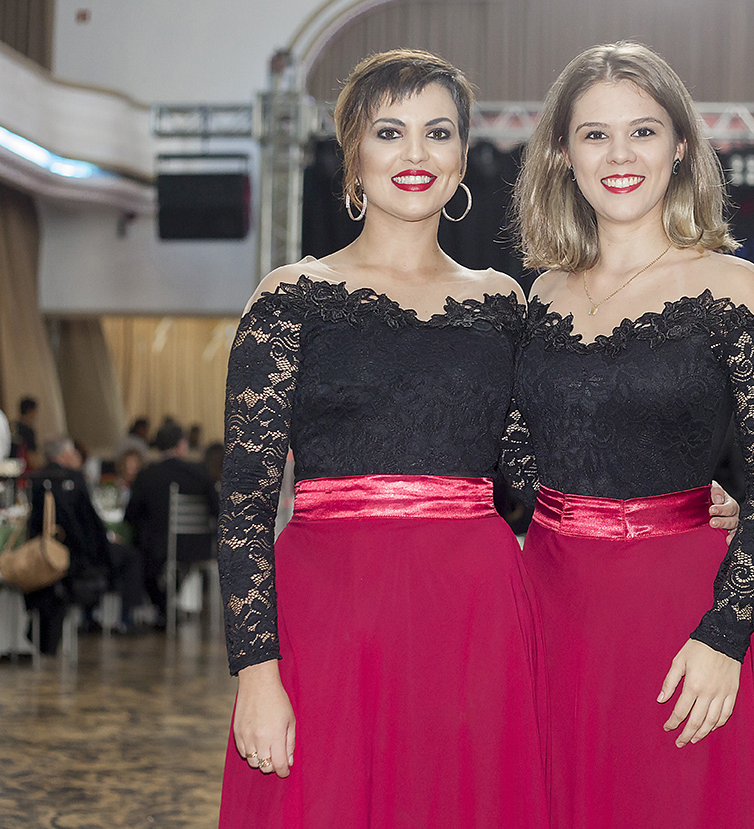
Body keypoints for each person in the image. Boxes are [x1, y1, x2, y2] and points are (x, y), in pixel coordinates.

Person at [215, 49, 556, 828]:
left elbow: (539, 473)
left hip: (475, 616)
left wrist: (670, 496)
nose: (415, 154)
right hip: (328, 616)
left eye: (438, 132)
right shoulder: (289, 298)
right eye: (389, 131)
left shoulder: (503, 303)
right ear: (353, 154)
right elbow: (244, 505)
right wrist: (257, 671)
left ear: (462, 156)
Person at [509, 42, 754, 827]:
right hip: (549, 599)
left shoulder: (735, 286)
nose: (620, 155)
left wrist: (725, 634)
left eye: (642, 130)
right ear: (563, 154)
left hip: (680, 611)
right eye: (595, 134)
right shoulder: (541, 295)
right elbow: (516, 460)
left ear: (679, 146)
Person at [23, 437, 117, 653]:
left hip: (40, 554)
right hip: (73, 558)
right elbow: (90, 523)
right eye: (73, 454)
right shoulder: (75, 478)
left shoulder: (35, 478)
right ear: (64, 455)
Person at [124, 421, 216, 625]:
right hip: (196, 547)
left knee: (138, 556)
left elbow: (130, 516)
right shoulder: (200, 475)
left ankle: (162, 608)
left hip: (157, 549)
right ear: (181, 445)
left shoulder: (147, 475)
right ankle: (167, 609)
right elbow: (216, 510)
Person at [10, 396, 41, 471]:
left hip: (10, 468)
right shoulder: (28, 431)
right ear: (30, 411)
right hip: (24, 470)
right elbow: (31, 458)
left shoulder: (11, 427)